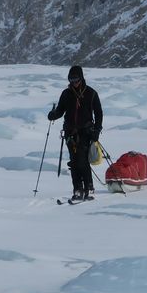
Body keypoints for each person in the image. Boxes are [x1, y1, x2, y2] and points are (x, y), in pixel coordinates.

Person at [48, 65, 104, 201]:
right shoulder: (66, 94)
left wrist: (97, 130)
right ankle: (78, 189)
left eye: (76, 79)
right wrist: (53, 115)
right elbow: (61, 110)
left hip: (86, 132)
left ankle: (88, 187)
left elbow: (99, 113)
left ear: (81, 78)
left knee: (82, 160)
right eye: (71, 79)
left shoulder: (91, 93)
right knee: (74, 161)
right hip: (70, 132)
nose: (74, 82)